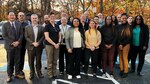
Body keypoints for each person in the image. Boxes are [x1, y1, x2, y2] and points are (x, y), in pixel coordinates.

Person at [2, 11, 24, 82]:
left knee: (18, 61)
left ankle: (17, 73)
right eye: (10, 15)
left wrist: (18, 42)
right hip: (9, 47)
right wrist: (13, 43)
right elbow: (4, 36)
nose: (12, 16)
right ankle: (9, 75)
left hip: (18, 46)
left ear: (15, 16)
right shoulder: (5, 25)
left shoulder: (19, 24)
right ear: (8, 16)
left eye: (13, 15)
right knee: (10, 61)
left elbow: (21, 34)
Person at [25, 14, 44, 80]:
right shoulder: (27, 27)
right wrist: (33, 43)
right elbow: (26, 37)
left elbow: (43, 36)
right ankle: (32, 73)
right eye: (33, 18)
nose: (34, 19)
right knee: (31, 61)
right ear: (31, 19)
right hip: (30, 47)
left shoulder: (41, 27)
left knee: (38, 61)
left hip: (39, 47)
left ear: (37, 19)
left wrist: (38, 43)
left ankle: (39, 72)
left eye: (35, 18)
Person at [44, 12, 61, 79]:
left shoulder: (57, 25)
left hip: (57, 45)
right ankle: (50, 74)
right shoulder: (47, 26)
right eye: (51, 17)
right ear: (49, 18)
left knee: (55, 60)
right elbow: (47, 37)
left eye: (54, 17)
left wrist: (59, 43)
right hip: (49, 45)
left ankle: (54, 73)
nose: (52, 18)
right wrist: (54, 44)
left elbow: (59, 35)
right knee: (50, 60)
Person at [117, 13, 131, 78]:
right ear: (121, 19)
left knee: (125, 57)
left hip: (126, 44)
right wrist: (119, 44)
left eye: (125, 18)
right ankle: (121, 69)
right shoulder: (118, 26)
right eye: (123, 18)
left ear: (127, 19)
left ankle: (126, 71)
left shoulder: (129, 26)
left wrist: (122, 44)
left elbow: (130, 37)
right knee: (120, 57)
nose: (124, 19)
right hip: (119, 44)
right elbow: (117, 36)